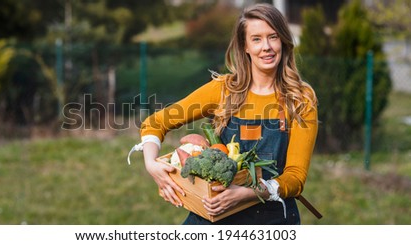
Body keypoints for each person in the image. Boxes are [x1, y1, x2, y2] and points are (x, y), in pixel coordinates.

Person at [135, 3, 318, 225]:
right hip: (215, 218)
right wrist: (151, 165)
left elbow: (295, 176)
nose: (266, 47)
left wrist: (249, 193)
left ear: (284, 41)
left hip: (272, 219)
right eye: (257, 39)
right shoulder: (223, 89)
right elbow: (156, 123)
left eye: (273, 37)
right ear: (245, 47)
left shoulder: (300, 97)